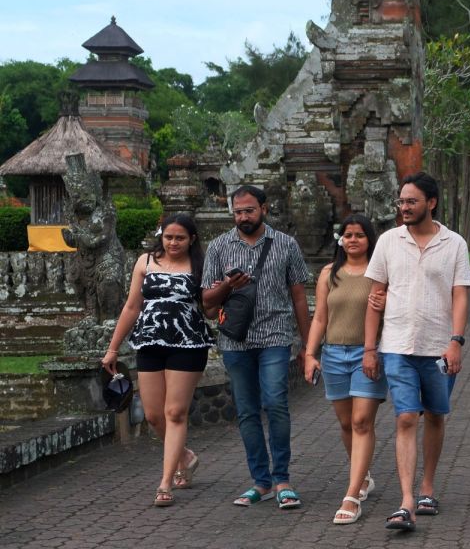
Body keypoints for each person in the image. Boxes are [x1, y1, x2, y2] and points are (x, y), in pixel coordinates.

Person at [363, 172, 470, 532]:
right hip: (396, 346)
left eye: (411, 201)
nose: (404, 207)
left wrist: (456, 340)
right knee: (406, 417)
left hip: (439, 348)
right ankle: (407, 501)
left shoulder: (454, 244)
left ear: (431, 203)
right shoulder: (388, 242)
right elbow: (374, 299)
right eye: (401, 201)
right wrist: (369, 348)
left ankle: (428, 488)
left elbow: (460, 294)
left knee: (436, 415)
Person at [201, 184, 311, 510]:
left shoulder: (285, 244)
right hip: (235, 340)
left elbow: (300, 296)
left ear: (264, 208)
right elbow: (207, 303)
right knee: (247, 411)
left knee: (275, 402)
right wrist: (226, 287)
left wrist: (308, 344)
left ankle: (283, 480)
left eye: (249, 210)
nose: (243, 217)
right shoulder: (219, 247)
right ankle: (260, 481)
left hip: (275, 336)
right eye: (238, 212)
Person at [102, 213, 211, 507]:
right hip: (149, 342)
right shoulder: (145, 261)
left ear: (192, 240)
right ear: (161, 236)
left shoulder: (201, 265)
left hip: (188, 343)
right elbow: (132, 306)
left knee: (175, 412)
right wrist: (113, 348)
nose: (173, 243)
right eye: (169, 237)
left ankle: (166, 483)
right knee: (153, 416)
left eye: (180, 238)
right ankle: (185, 456)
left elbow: (211, 307)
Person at [303, 214, 386, 525]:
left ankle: (351, 495)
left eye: (359, 235)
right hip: (335, 354)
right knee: (346, 423)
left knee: (362, 421)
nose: (353, 240)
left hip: (368, 355)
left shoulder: (379, 273)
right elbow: (320, 318)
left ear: (369, 239)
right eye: (348, 235)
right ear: (341, 239)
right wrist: (311, 354)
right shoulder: (328, 274)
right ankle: (362, 476)